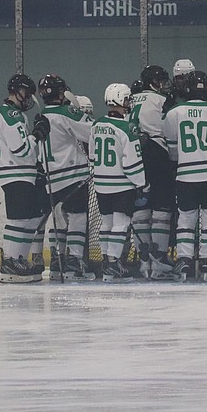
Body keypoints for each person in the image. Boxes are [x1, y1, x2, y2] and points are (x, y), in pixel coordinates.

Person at [163, 71, 207, 281]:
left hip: (186, 174)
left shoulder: (174, 112)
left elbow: (172, 147)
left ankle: (184, 259)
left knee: (186, 217)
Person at [0, 73, 52, 283]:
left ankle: (19, 259)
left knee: (32, 217)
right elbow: (21, 148)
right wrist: (37, 134)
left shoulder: (13, 114)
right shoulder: (10, 114)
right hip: (14, 173)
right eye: (27, 93)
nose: (28, 98)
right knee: (18, 219)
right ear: (18, 92)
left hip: (23, 173)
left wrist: (36, 166)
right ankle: (10, 261)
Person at [38, 74, 96, 281]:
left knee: (59, 221)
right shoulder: (67, 112)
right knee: (78, 218)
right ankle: (74, 260)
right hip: (73, 175)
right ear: (60, 93)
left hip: (51, 178)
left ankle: (57, 260)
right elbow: (93, 131)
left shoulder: (42, 114)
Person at [89, 83, 146, 283]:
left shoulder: (96, 125)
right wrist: (141, 183)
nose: (129, 102)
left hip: (101, 183)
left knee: (106, 222)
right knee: (121, 224)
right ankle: (114, 262)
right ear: (121, 100)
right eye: (127, 99)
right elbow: (131, 162)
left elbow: (93, 155)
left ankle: (106, 260)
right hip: (122, 184)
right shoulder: (126, 127)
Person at [129, 65, 179, 280]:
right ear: (154, 82)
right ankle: (159, 261)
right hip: (157, 152)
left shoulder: (131, 99)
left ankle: (143, 261)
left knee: (141, 208)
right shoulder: (162, 100)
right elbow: (169, 128)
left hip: (135, 153)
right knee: (162, 207)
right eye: (160, 80)